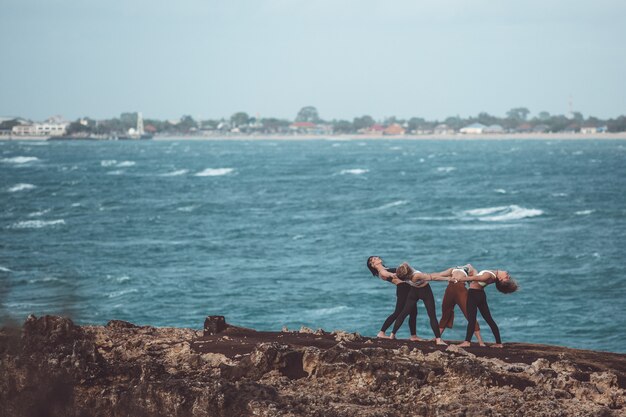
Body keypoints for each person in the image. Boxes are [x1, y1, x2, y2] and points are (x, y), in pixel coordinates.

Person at [450, 267, 518, 348]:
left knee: (472, 320)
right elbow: (477, 278)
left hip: (473, 295)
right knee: (489, 319)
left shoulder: (489, 275)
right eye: (508, 276)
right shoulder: (493, 276)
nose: (508, 275)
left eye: (506, 277)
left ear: (500, 278)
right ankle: (499, 343)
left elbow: (476, 278)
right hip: (480, 295)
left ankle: (467, 342)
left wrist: (460, 278)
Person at [390, 262, 451, 346]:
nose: (406, 264)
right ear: (407, 270)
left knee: (403, 313)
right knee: (432, 315)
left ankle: (392, 335)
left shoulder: (401, 276)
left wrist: (393, 273)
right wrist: (448, 279)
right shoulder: (416, 276)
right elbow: (433, 277)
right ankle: (438, 340)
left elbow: (402, 267)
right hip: (425, 292)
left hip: (413, 291)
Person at [367, 256, 421, 341]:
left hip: (407, 289)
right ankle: (381, 333)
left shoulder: (385, 268)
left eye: (376, 257)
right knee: (397, 312)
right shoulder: (382, 272)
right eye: (374, 259)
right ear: (373, 265)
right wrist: (393, 274)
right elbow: (387, 274)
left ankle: (413, 336)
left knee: (413, 312)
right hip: (403, 290)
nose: (377, 257)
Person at [438, 266, 485, 346]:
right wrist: (426, 276)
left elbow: (478, 280)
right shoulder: (453, 268)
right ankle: (438, 337)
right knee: (446, 313)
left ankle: (480, 341)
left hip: (461, 290)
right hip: (450, 288)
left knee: (469, 315)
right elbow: (439, 274)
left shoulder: (472, 269)